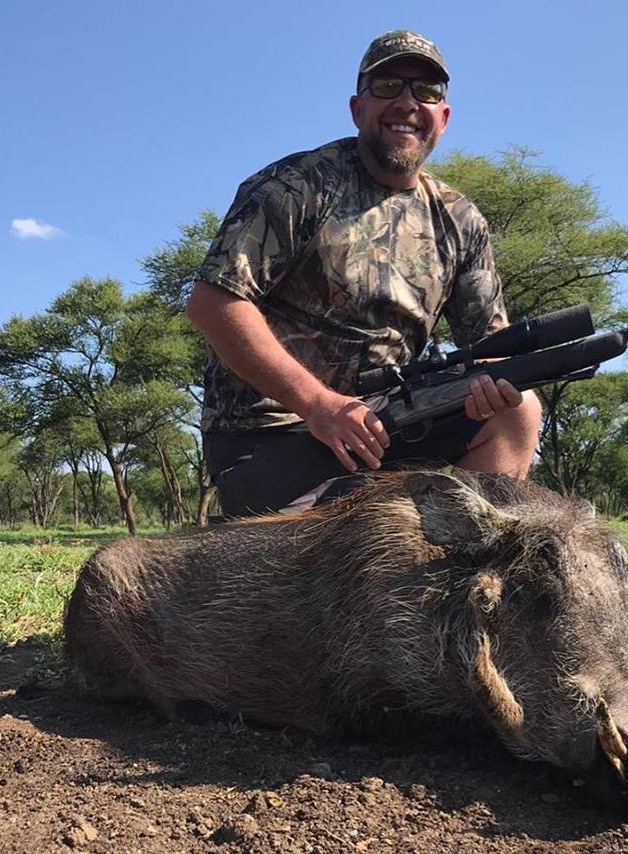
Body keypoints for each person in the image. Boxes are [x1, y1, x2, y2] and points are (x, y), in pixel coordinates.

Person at [186, 29, 541, 516]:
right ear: (357, 109)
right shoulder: (295, 187)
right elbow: (213, 303)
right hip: (274, 430)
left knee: (519, 410)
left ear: (444, 116)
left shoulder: (461, 219)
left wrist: (490, 384)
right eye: (388, 86)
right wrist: (319, 405)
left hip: (389, 426)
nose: (407, 103)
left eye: (426, 91)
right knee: (336, 552)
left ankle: (473, 567)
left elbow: (492, 346)